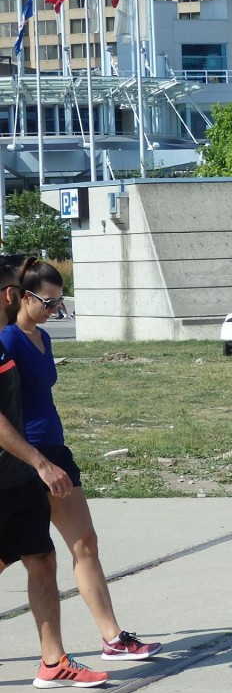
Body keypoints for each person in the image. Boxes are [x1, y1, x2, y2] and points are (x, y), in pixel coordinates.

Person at [1, 258, 161, 667]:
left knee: (84, 543)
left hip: (55, 452)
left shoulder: (43, 338)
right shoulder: (9, 339)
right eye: (48, 302)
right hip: (26, 459)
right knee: (17, 556)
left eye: (60, 303)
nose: (55, 311)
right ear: (21, 296)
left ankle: (113, 637)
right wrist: (34, 460)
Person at [0, 258, 110, 690]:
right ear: (13, 295)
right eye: (13, 288)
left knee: (42, 559)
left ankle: (53, 661)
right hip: (17, 471)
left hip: (16, 476)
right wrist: (42, 462)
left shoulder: (8, 344)